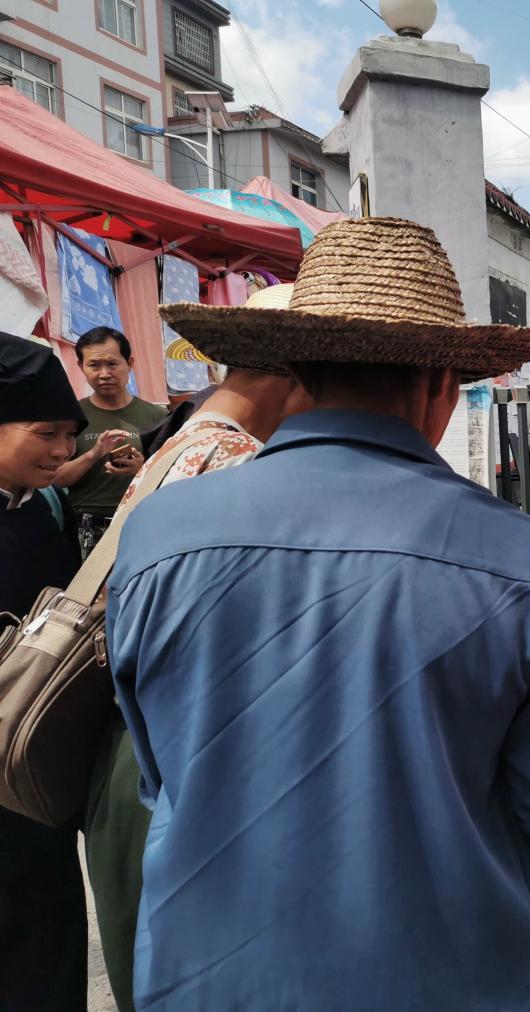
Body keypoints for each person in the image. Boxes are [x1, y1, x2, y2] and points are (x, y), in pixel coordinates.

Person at [108, 218, 530, 1010]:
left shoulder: (157, 533)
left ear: (297, 373)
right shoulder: (520, 558)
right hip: (449, 971)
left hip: (207, 972)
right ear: (442, 385)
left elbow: (159, 763)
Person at [83, 284, 312, 1012]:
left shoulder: (181, 444)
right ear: (291, 376)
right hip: (174, 765)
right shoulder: (241, 463)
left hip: (125, 751)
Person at [0, 332, 89, 1012]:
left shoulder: (40, 509)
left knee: (45, 941)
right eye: (46, 433)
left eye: (69, 435)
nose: (63, 452)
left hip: (30, 780)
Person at [54, 326, 167, 557]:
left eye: (112, 364)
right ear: (81, 367)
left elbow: (172, 476)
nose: (104, 373)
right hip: (83, 527)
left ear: (130, 363)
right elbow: (55, 478)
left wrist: (141, 470)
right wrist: (93, 454)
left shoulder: (157, 416)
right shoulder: (72, 416)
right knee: (84, 593)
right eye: (94, 365)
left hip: (139, 522)